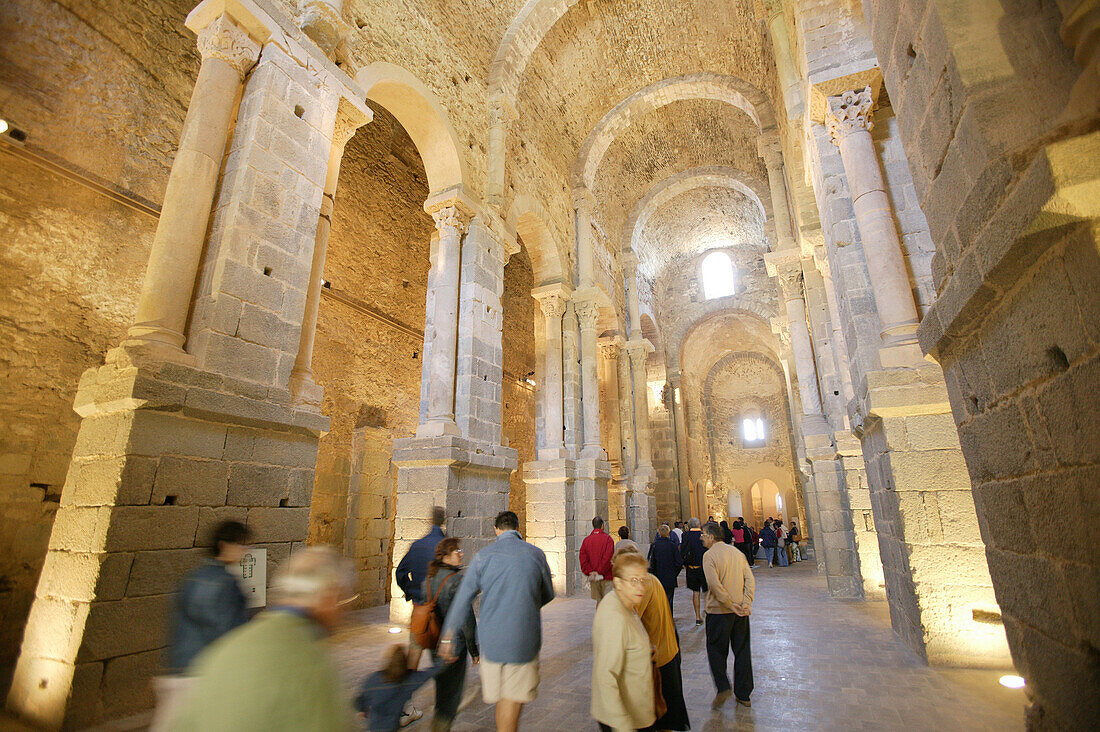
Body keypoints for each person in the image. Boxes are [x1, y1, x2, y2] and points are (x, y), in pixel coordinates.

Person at [168, 546, 356, 731]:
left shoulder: (230, 645)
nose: (343, 613)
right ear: (330, 597)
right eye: (343, 602)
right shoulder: (311, 664)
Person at [439, 511, 554, 732]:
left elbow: (462, 598)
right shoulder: (536, 554)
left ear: (496, 529)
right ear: (517, 528)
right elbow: (547, 594)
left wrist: (447, 636)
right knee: (512, 698)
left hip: (490, 642)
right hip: (522, 640)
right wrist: (524, 604)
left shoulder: (483, 556)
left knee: (504, 697)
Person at [153, 521, 251, 731]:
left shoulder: (195, 576)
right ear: (224, 545)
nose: (245, 550)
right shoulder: (222, 582)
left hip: (183, 667)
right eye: (241, 545)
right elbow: (224, 629)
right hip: (200, 672)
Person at [616, 544, 690, 731]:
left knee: (655, 713)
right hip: (669, 650)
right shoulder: (651, 579)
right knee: (666, 714)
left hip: (658, 659)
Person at [590, 551, 656, 732]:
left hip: (639, 713)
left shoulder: (627, 603)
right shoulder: (614, 615)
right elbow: (606, 676)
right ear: (618, 582)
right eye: (634, 581)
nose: (641, 587)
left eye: (643, 580)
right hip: (623, 720)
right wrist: (623, 725)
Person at [424, 538, 479, 731]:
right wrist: (474, 649)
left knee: (442, 687)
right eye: (457, 551)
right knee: (453, 693)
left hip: (434, 642)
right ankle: (441, 725)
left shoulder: (430, 578)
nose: (462, 554)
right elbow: (466, 619)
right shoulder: (456, 581)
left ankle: (439, 718)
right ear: (446, 556)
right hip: (454, 645)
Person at [701, 522, 754, 710]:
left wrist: (730, 605)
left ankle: (723, 686)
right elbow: (749, 579)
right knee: (742, 651)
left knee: (716, 650)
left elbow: (714, 586)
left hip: (719, 612)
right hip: (740, 611)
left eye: (703, 534)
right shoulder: (737, 553)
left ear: (711, 537)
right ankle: (744, 694)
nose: (701, 538)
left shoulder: (709, 556)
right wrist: (746, 602)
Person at [395, 506, 447, 674]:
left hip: (419, 609)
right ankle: (442, 698)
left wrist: (410, 591)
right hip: (439, 610)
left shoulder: (417, 545)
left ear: (429, 520)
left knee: (414, 653)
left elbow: (400, 572)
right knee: (440, 660)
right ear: (443, 521)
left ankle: (406, 695)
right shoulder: (445, 548)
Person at [357, 646, 442, 732]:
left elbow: (361, 699)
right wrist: (443, 660)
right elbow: (429, 673)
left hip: (375, 726)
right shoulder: (410, 681)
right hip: (393, 726)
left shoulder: (374, 679)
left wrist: (362, 710)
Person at [579, 516, 615, 603]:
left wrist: (591, 571)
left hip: (593, 577)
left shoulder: (586, 540)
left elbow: (583, 559)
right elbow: (608, 557)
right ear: (602, 525)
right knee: (608, 602)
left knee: (599, 601)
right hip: (606, 576)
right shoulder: (608, 539)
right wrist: (599, 571)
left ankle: (599, 616)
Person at [647, 524, 683, 608]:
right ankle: (669, 618)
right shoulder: (672, 546)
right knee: (669, 600)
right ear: (668, 533)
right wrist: (674, 573)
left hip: (657, 577)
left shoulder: (654, 546)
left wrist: (653, 574)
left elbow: (649, 562)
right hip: (670, 577)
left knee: (659, 601)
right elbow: (679, 562)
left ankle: (661, 619)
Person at [680, 517, 708, 626]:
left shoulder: (685, 535)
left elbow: (683, 551)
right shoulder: (703, 535)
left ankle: (697, 617)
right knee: (706, 591)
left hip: (691, 568)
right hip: (703, 567)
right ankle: (707, 610)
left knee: (695, 592)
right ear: (699, 525)